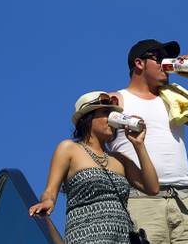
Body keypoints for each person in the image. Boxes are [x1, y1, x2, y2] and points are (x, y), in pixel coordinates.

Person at [108, 39, 188, 244]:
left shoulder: (173, 99)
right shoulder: (116, 100)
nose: (166, 64)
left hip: (184, 199)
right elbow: (90, 140)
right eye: (159, 58)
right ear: (139, 63)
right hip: (140, 199)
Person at [29, 91, 160, 244]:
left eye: (113, 113)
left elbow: (152, 188)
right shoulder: (69, 149)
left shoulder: (119, 159)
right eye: (106, 113)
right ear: (88, 118)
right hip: (87, 238)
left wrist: (139, 145)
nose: (112, 119)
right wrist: (47, 202)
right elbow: (50, 192)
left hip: (123, 239)